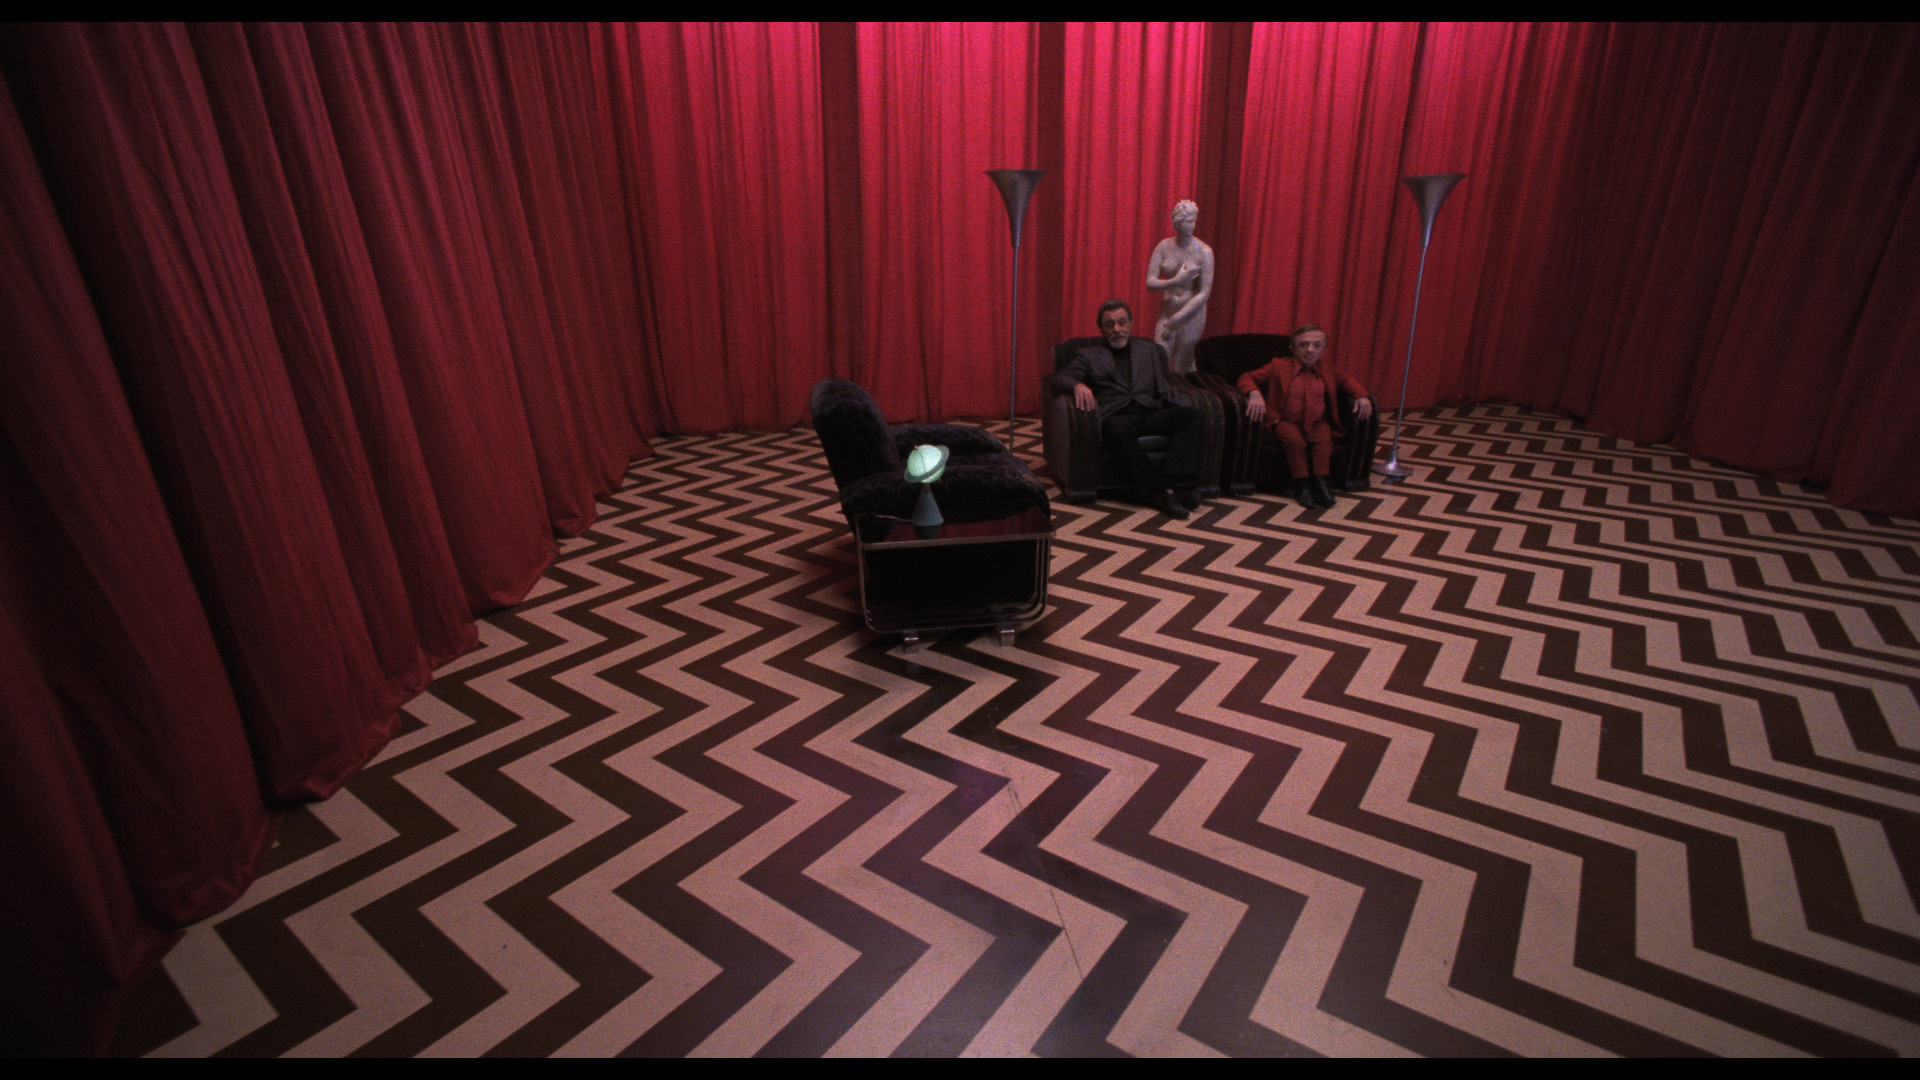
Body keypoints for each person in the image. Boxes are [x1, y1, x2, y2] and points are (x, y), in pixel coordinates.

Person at [1052, 298, 1204, 519]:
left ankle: (1181, 483)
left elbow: (1163, 387)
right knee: (1116, 428)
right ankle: (1157, 493)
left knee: (1192, 415)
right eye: (1110, 324)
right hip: (1117, 416)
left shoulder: (1149, 350)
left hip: (1150, 412)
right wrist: (1077, 385)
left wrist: (1187, 403)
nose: (1117, 329)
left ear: (1131, 324)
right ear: (1101, 328)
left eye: (1122, 322)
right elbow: (1059, 378)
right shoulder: (1089, 355)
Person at [1238, 324, 1374, 509]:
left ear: (1323, 349)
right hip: (1285, 420)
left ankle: (1321, 482)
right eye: (1304, 345)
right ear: (1293, 349)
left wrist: (1362, 396)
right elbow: (1246, 378)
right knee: (1295, 442)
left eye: (1317, 345)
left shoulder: (1328, 368)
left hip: (1317, 421)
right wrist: (1254, 393)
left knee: (1324, 442)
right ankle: (1301, 485)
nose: (1310, 350)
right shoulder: (1278, 366)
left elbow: (1347, 381)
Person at [1146, 199, 1214, 375]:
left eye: (1194, 221)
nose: (1192, 225)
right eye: (1188, 221)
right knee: (1161, 359)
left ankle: (1183, 392)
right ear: (1177, 222)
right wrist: (1175, 281)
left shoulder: (1204, 252)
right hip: (1168, 311)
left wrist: (1178, 318)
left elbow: (1204, 293)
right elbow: (1150, 283)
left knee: (1182, 366)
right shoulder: (1163, 246)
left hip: (1191, 315)